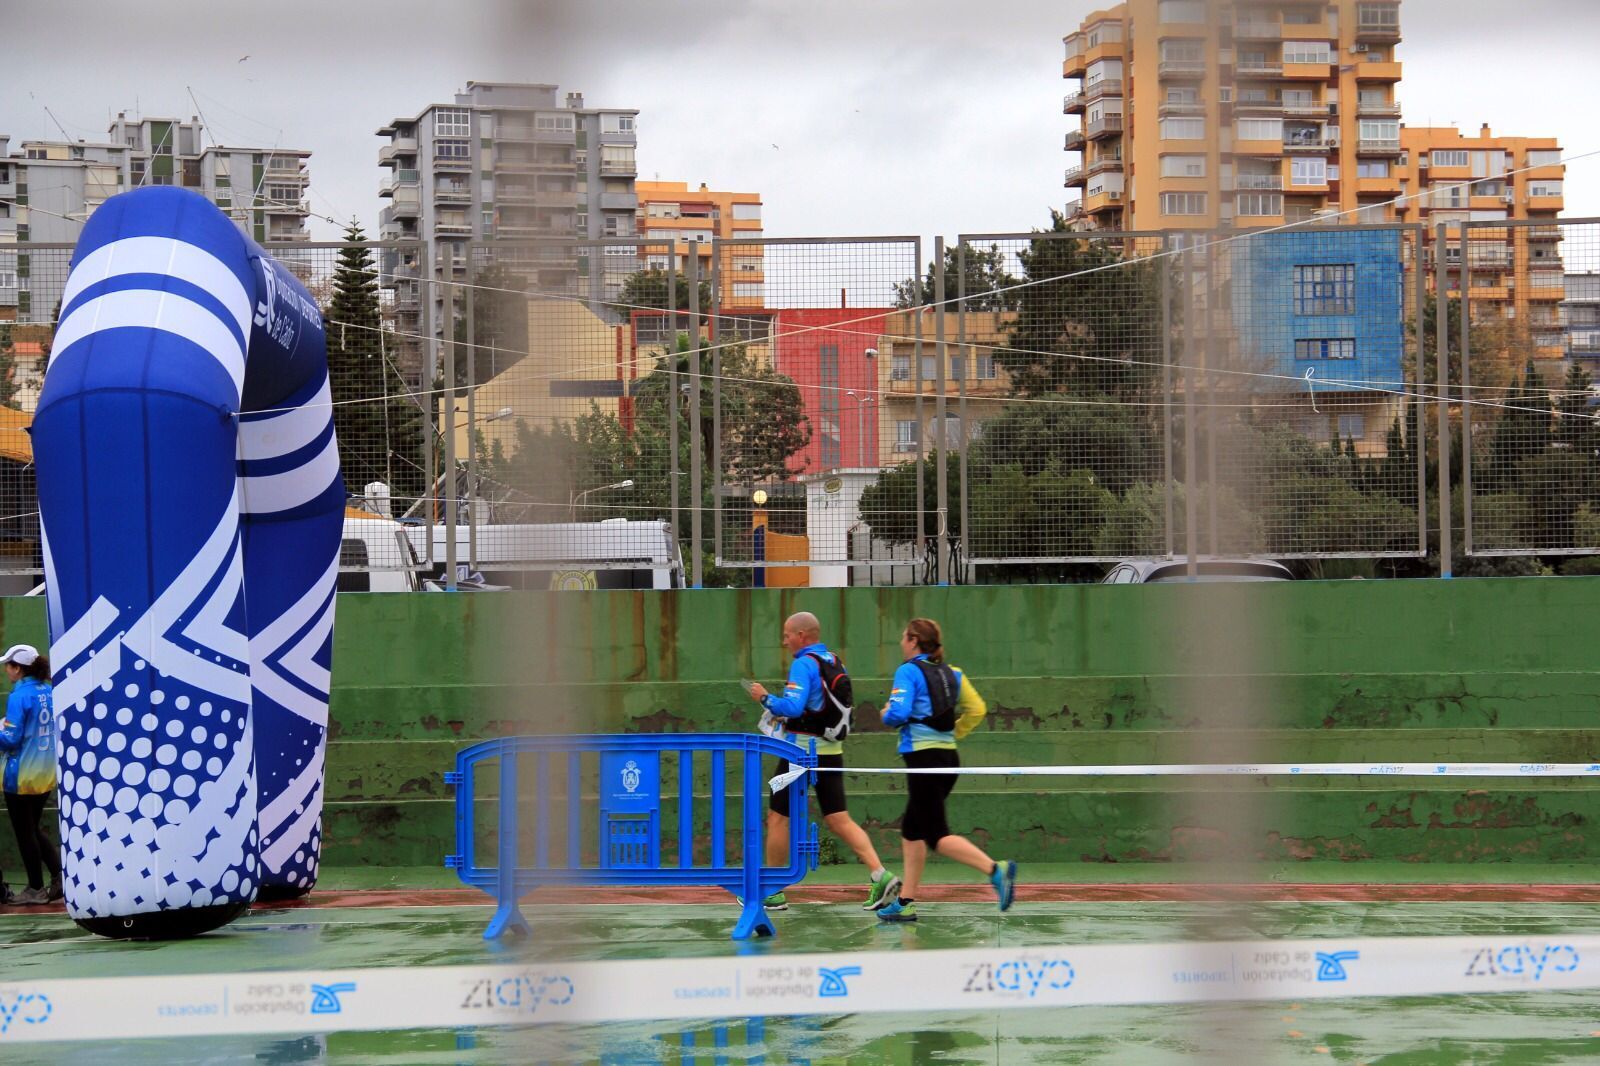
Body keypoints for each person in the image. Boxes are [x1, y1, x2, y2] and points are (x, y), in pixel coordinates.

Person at [746, 611, 901, 912]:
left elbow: (792, 706)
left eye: (787, 634)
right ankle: (881, 875)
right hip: (831, 752)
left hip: (800, 755)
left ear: (802, 636)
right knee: (839, 818)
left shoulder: (803, 664)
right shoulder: (833, 660)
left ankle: (773, 891)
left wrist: (765, 699)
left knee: (778, 817)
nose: (784, 639)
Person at [875, 618, 1016, 922]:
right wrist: (955, 733)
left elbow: (898, 713)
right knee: (912, 830)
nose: (901, 642)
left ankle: (996, 870)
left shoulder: (908, 671)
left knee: (937, 835)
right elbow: (977, 709)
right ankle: (906, 901)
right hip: (949, 758)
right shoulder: (954, 674)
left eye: (903, 637)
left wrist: (886, 713)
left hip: (924, 762)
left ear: (913, 641)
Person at [0, 644, 60, 906]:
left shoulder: (19, 696)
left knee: (25, 832)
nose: (6, 671)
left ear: (17, 669)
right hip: (46, 772)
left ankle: (35, 888)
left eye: (8, 666)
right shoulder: (48, 690)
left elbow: (11, 739)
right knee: (32, 828)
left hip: (22, 774)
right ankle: (59, 877)